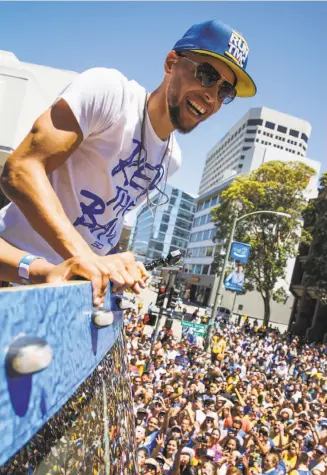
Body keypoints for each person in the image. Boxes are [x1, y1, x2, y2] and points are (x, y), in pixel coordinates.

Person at [0, 19, 256, 304]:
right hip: (12, 276)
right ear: (171, 63)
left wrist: (117, 265)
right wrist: (84, 258)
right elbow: (20, 169)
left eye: (225, 91)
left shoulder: (172, 159)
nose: (211, 95)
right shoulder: (110, 93)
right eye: (207, 74)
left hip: (65, 299)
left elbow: (104, 223)